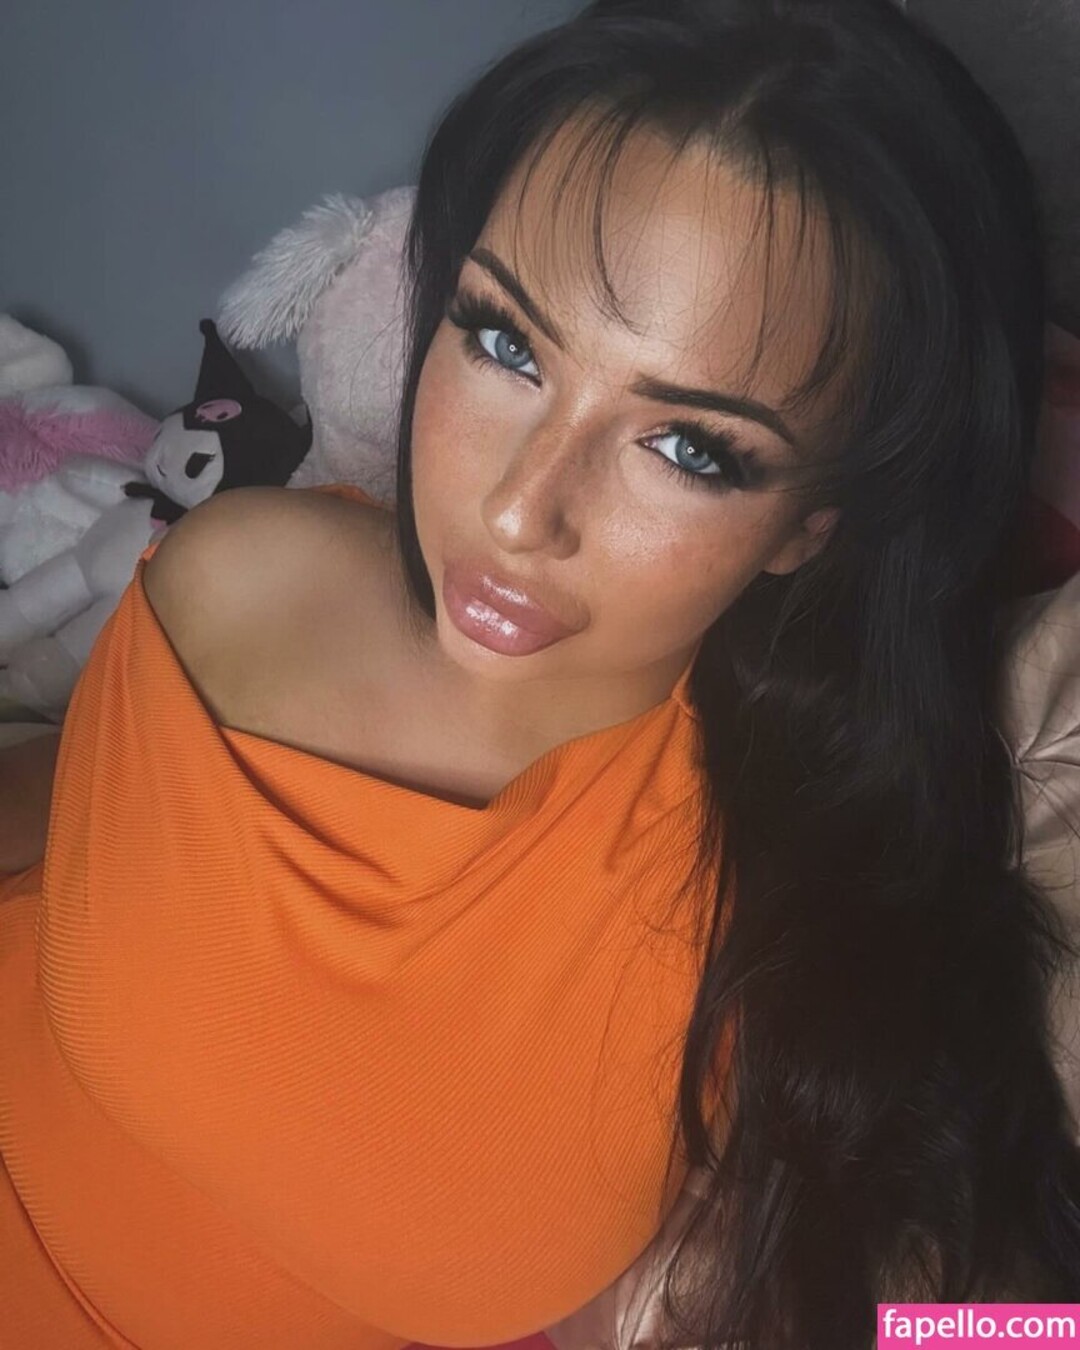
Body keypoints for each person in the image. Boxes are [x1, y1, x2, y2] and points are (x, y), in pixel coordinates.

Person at [2, 1, 1079, 1347]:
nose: (518, 512)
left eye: (691, 448)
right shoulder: (241, 577)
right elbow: (70, 812)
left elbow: (1001, 1321)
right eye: (505, 343)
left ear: (815, 524)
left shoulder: (800, 912)